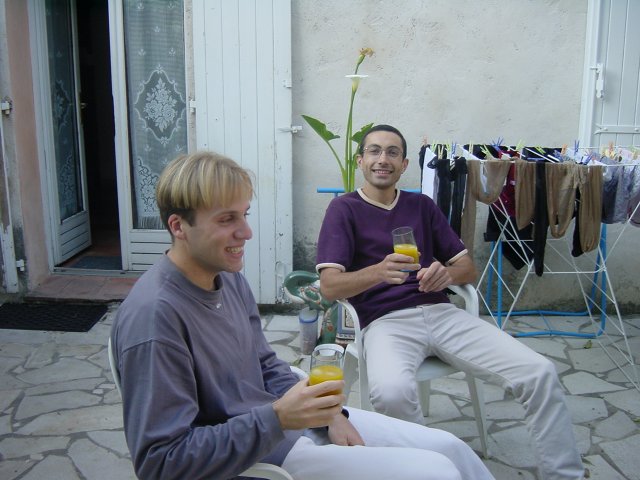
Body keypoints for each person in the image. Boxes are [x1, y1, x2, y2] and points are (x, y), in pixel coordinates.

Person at [110, 151, 494, 480]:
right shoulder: (155, 318)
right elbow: (160, 463)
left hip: (288, 424)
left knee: (452, 449)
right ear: (179, 226)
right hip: (263, 454)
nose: (246, 233)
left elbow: (263, 363)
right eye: (227, 220)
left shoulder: (227, 279)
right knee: (437, 473)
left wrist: (330, 414)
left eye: (244, 215)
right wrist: (277, 418)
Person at [316, 125, 585, 480]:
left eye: (393, 152)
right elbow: (329, 286)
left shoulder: (421, 205)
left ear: (404, 162)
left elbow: (467, 266)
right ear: (361, 160)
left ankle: (564, 475)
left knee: (539, 372)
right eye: (375, 151)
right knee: (392, 393)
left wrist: (447, 274)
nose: (383, 159)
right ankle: (428, 471)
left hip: (442, 313)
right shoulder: (343, 209)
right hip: (385, 322)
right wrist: (378, 272)